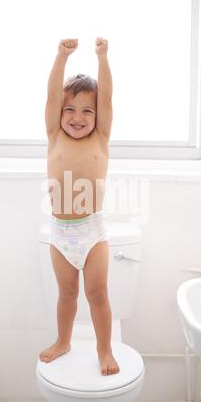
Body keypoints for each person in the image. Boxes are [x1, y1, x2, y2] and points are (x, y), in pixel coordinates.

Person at [39, 38, 119, 375]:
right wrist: (61, 57)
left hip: (93, 232)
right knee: (67, 294)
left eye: (87, 110)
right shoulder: (54, 134)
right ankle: (63, 341)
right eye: (70, 109)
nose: (77, 117)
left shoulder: (100, 136)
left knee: (97, 294)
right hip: (61, 234)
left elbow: (107, 99)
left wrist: (102, 58)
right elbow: (52, 95)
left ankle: (104, 350)